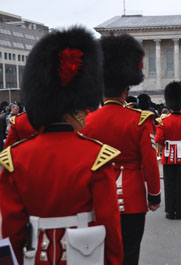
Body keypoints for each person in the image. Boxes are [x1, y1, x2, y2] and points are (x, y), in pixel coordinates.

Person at [0, 26, 123, 265]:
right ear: (75, 110)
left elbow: (11, 232)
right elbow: (110, 226)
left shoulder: (15, 159)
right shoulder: (97, 157)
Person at [81, 33, 161, 265]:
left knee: (102, 254)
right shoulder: (139, 120)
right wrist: (153, 195)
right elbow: (149, 163)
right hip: (133, 200)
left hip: (97, 199)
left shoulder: (87, 122)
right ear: (126, 90)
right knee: (129, 254)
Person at [155, 81, 181, 220]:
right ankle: (180, 211)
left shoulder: (163, 121)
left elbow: (158, 139)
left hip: (168, 156)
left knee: (169, 183)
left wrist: (167, 144)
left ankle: (170, 211)